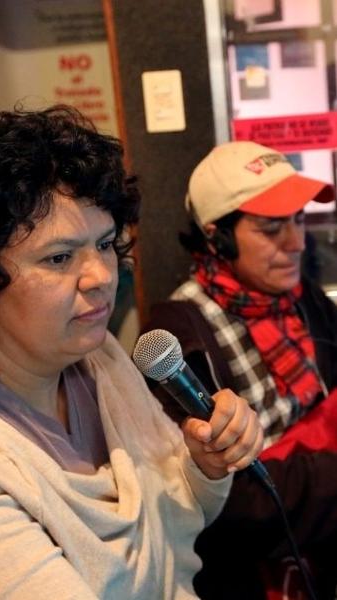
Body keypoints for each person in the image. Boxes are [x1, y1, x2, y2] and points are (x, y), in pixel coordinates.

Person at [0, 107, 262, 600]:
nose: (102, 277)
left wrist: (204, 467)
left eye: (105, 244)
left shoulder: (99, 359)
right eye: (60, 257)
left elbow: (177, 517)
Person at [142, 140, 337, 600]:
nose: (296, 242)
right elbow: (231, 504)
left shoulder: (303, 298)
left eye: (298, 219)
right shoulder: (179, 334)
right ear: (218, 236)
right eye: (272, 228)